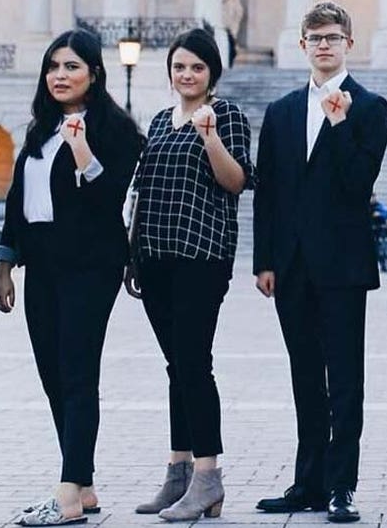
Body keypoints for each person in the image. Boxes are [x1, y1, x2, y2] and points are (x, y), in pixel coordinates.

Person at [0, 29, 144, 527]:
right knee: (53, 374)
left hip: (90, 268)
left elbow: (110, 203)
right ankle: (85, 484)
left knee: (78, 374)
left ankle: (67, 496)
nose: (60, 75)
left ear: (94, 75)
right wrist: (5, 265)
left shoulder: (116, 132)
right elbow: (18, 202)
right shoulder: (39, 131)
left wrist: (83, 153)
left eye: (72, 67)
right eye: (54, 67)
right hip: (43, 268)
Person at [254, 1, 387, 523]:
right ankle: (306, 481)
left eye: (334, 37)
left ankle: (341, 486)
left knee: (345, 379)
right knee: (304, 376)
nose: (325, 45)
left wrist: (337, 128)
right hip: (290, 266)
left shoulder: (370, 106)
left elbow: (359, 183)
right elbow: (268, 192)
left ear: (349, 44)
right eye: (316, 38)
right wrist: (264, 260)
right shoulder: (282, 110)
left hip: (342, 265)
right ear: (303, 45)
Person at [126, 29, 254, 521]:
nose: (187, 75)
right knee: (176, 366)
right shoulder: (159, 120)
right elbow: (143, 189)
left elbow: (236, 181)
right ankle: (178, 473)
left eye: (197, 68)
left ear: (212, 73)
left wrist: (210, 137)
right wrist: (132, 255)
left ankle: (208, 477)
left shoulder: (226, 116)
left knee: (194, 365)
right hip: (155, 256)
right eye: (180, 67)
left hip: (201, 257)